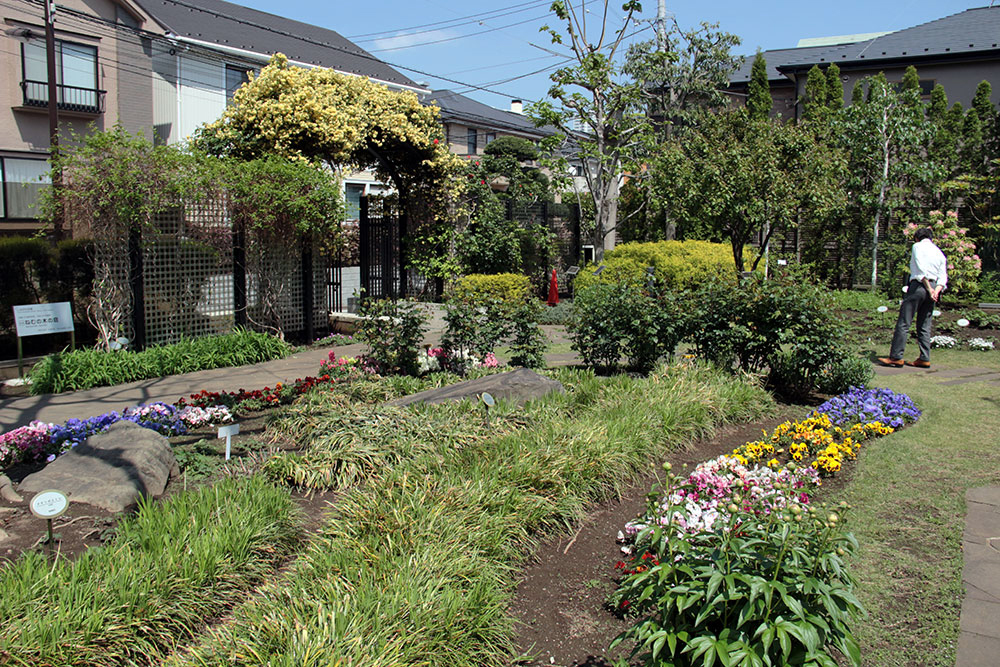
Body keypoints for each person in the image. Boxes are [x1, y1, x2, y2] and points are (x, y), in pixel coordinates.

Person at [878, 227, 948, 368]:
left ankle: (896, 357)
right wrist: (935, 291)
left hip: (919, 286)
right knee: (924, 325)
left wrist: (927, 288)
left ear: (917, 238)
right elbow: (943, 276)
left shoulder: (917, 246)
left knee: (904, 322)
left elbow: (921, 269)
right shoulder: (939, 252)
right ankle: (924, 357)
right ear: (931, 238)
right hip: (934, 288)